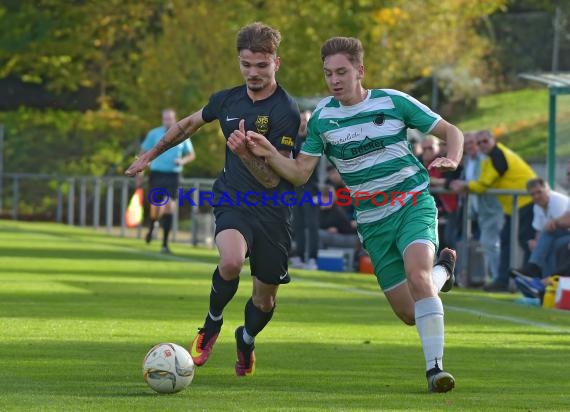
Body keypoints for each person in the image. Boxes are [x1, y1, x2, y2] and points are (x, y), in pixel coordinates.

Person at [244, 36, 463, 392]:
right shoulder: (323, 120)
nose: (334, 80)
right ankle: (444, 272)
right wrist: (269, 152)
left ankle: (435, 370)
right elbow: (300, 173)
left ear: (359, 71)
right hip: (372, 221)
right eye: (328, 73)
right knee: (410, 313)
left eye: (341, 72)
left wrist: (451, 158)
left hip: (412, 203)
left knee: (417, 277)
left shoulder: (393, 101)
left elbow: (451, 130)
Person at [125, 22, 300, 377]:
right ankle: (211, 324)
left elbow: (271, 179)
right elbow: (187, 125)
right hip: (232, 200)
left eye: (261, 65)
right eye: (246, 64)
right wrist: (149, 155)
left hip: (273, 211)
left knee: (264, 300)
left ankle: (246, 338)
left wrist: (247, 154)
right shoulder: (226, 99)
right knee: (231, 261)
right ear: (239, 62)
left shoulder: (286, 111)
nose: (253, 72)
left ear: (276, 63)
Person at [450, 130, 536, 292]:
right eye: (479, 142)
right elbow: (483, 182)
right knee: (506, 241)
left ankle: (529, 282)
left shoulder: (498, 155)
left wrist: (465, 185)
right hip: (514, 206)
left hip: (525, 201)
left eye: (484, 141)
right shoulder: (490, 157)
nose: (482, 145)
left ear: (493, 140)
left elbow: (484, 184)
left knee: (527, 242)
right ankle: (503, 281)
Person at [140, 108, 196, 253]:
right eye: (165, 119)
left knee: (169, 207)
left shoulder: (182, 134)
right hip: (157, 173)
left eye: (170, 118)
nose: (168, 121)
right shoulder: (154, 134)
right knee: (156, 207)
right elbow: (143, 152)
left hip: (173, 175)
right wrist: (140, 169)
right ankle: (153, 225)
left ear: (175, 119)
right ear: (162, 119)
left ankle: (165, 243)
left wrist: (182, 161)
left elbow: (191, 155)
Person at [455, 132, 503, 283]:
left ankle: (498, 278)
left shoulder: (486, 160)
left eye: (472, 143)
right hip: (476, 209)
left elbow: (481, 184)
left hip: (492, 208)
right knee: (485, 243)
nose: (470, 147)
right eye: (466, 144)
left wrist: (465, 186)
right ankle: (489, 277)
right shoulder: (468, 160)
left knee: (491, 243)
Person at [290, 110, 320, 270]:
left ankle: (313, 259)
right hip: (296, 189)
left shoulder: (313, 139)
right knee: (298, 224)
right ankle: (300, 257)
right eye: (301, 119)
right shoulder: (292, 140)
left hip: (311, 189)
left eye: (305, 120)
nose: (303, 123)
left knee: (312, 224)